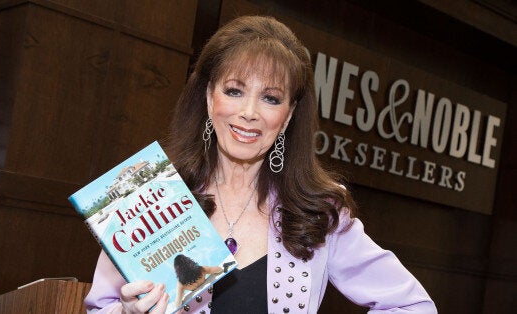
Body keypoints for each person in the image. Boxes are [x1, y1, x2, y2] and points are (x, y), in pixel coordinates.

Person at [84, 16, 437, 313]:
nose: (249, 113)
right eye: (234, 91)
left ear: (287, 117)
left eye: (271, 98)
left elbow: (414, 306)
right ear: (209, 97)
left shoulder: (318, 210)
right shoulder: (150, 196)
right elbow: (100, 307)